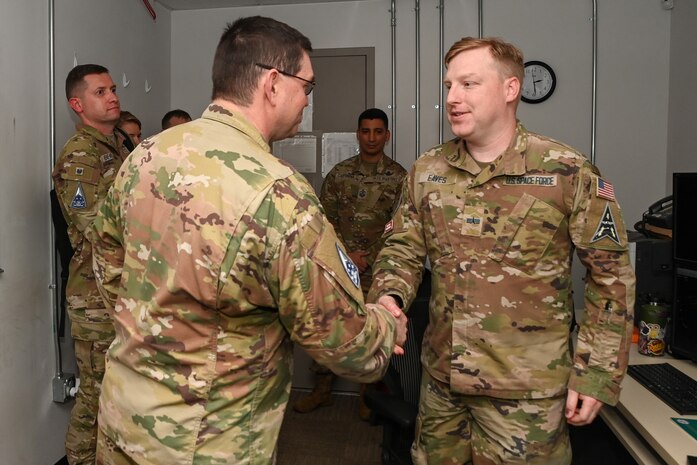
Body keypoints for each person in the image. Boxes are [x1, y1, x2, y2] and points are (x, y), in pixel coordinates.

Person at [91, 16, 407, 465]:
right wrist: (387, 324)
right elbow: (347, 344)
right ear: (273, 84)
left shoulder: (145, 154)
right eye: (308, 87)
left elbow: (107, 264)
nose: (306, 101)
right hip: (206, 441)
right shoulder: (277, 191)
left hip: (124, 421)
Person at [367, 36, 635, 464]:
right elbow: (402, 245)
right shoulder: (428, 170)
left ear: (511, 89)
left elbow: (611, 278)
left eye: (468, 84)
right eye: (449, 85)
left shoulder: (567, 171)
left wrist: (598, 372)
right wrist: (389, 296)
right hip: (443, 384)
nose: (453, 98)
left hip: (525, 394)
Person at [294, 108, 407, 419]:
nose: (371, 137)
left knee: (373, 329)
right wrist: (346, 255)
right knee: (329, 325)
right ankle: (322, 390)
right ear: (358, 134)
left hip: (378, 268)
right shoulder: (340, 174)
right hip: (340, 266)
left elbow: (398, 226)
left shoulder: (399, 178)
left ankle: (368, 396)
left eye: (378, 131)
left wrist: (368, 257)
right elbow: (323, 221)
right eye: (366, 131)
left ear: (387, 135)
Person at [51, 64, 130, 465]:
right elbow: (94, 225)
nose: (113, 96)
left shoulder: (117, 146)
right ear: (77, 104)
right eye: (101, 91)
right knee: (96, 393)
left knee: (120, 393)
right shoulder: (80, 155)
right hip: (95, 299)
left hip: (122, 292)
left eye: (113, 89)